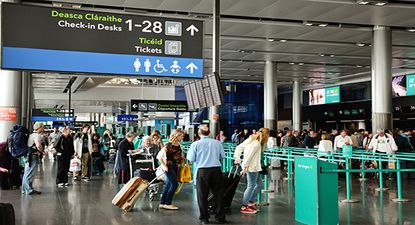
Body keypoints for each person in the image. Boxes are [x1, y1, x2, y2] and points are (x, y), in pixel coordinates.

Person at [187, 126, 226, 224]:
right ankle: (220, 217)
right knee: (218, 194)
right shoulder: (218, 143)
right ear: (209, 133)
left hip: (202, 171)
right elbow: (222, 156)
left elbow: (191, 159)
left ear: (199, 133)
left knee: (202, 195)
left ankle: (205, 218)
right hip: (216, 170)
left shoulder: (195, 144)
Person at [234, 128, 270, 214]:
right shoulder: (256, 144)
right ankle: (244, 206)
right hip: (251, 167)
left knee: (259, 185)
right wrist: (244, 168)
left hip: (254, 167)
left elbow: (239, 147)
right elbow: (248, 156)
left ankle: (250, 202)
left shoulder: (250, 140)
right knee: (251, 186)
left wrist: (237, 158)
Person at [157, 129, 184, 210]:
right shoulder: (168, 145)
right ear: (177, 136)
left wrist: (181, 158)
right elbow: (159, 157)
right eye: (181, 135)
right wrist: (164, 165)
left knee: (168, 185)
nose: (183, 137)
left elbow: (175, 155)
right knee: (174, 184)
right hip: (169, 167)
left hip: (175, 166)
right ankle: (168, 203)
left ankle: (162, 203)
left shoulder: (178, 144)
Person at [22, 122, 45, 195]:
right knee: (29, 173)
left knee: (26, 173)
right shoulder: (37, 135)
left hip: (28, 156)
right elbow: (38, 145)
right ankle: (28, 190)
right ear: (40, 127)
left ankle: (25, 189)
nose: (43, 128)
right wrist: (42, 151)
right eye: (43, 127)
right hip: (32, 156)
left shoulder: (31, 135)